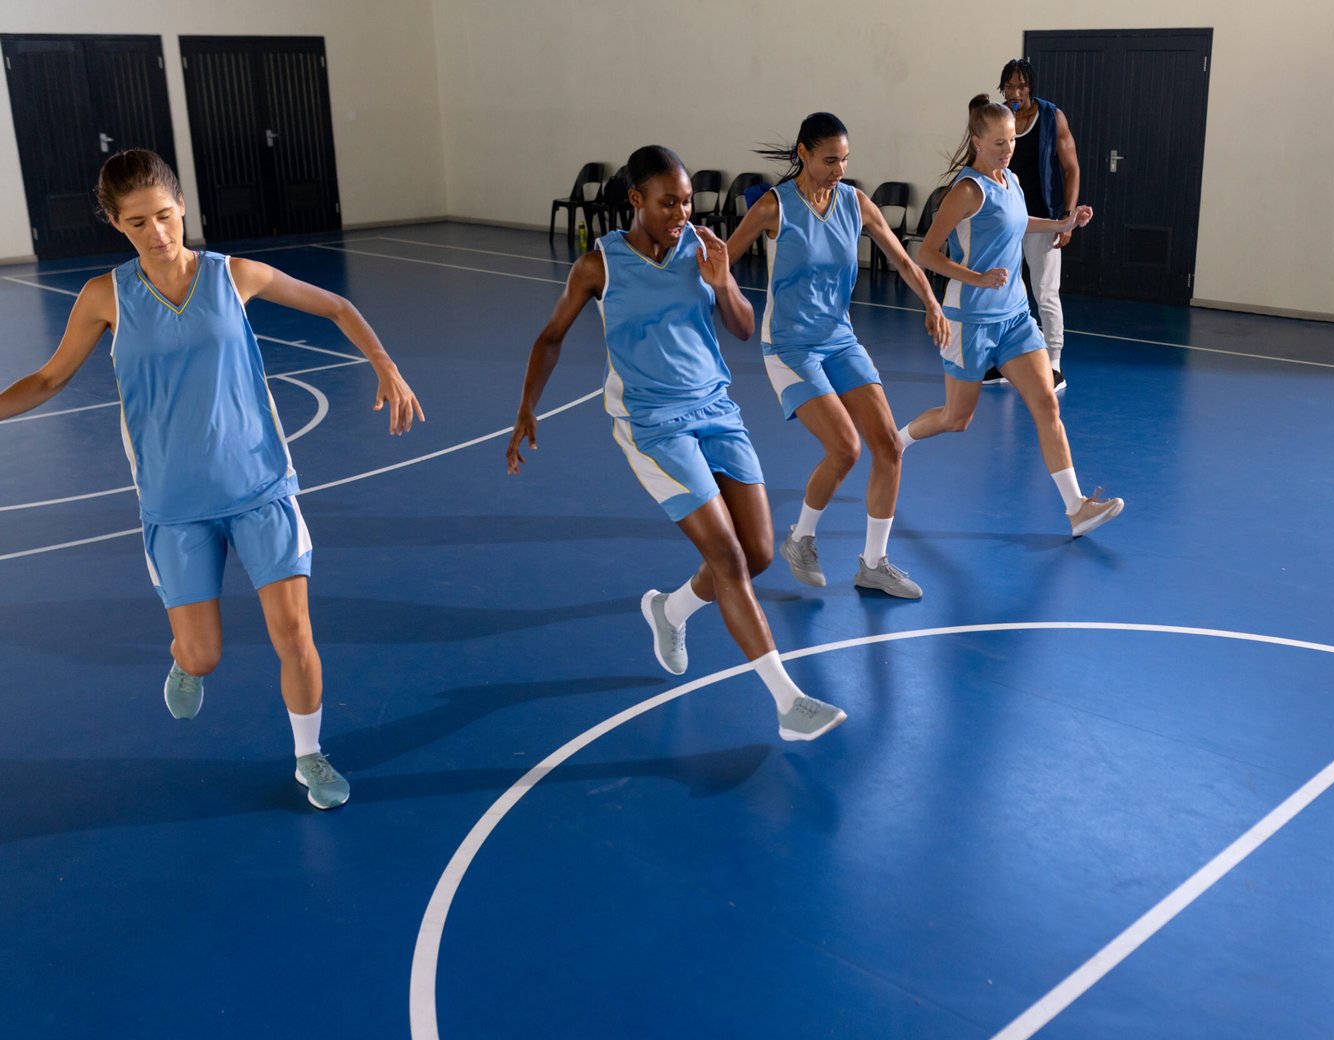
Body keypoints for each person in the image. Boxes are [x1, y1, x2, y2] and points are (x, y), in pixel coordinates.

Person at [0, 149, 425, 808]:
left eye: (166, 216)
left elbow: (337, 306)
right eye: (138, 222)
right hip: (175, 505)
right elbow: (50, 378)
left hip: (260, 487)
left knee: (294, 634)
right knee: (204, 656)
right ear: (116, 224)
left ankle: (309, 756)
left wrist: (386, 366)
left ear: (183, 208)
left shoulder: (235, 276)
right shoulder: (105, 297)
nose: (159, 234)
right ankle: (185, 658)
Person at [506, 145, 847, 743]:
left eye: (687, 201)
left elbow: (743, 329)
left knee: (760, 553)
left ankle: (671, 610)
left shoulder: (701, 250)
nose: (681, 213)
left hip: (717, 412)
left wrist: (722, 282)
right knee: (729, 558)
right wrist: (526, 409)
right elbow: (550, 336)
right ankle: (788, 703)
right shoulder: (599, 265)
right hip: (654, 424)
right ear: (636, 201)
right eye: (669, 202)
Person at [724, 112, 950, 599]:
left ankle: (873, 563)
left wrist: (932, 303)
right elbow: (721, 264)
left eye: (845, 159)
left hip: (839, 340)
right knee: (845, 448)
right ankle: (800, 538)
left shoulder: (855, 203)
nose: (839, 169)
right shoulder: (772, 208)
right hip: (789, 347)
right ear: (803, 153)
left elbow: (904, 259)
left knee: (887, 446)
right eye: (830, 160)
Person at [898, 96, 1123, 539]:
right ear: (977, 141)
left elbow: (1019, 223)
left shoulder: (1012, 180)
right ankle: (897, 440)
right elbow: (926, 253)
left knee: (1045, 403)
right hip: (970, 320)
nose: (1007, 149)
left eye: (1012, 141)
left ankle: (1076, 507)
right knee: (956, 418)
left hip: (1015, 317)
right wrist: (976, 277)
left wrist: (1063, 224)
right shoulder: (966, 192)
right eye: (998, 142)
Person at [984, 57, 1081, 393]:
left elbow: (1071, 169)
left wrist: (1066, 219)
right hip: (1006, 220)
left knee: (1044, 292)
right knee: (1003, 290)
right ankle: (1001, 359)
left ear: (1031, 87)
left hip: (1044, 219)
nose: (1015, 91)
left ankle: (1054, 362)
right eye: (1009, 85)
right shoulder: (999, 119)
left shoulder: (1052, 117)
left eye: (1021, 85)